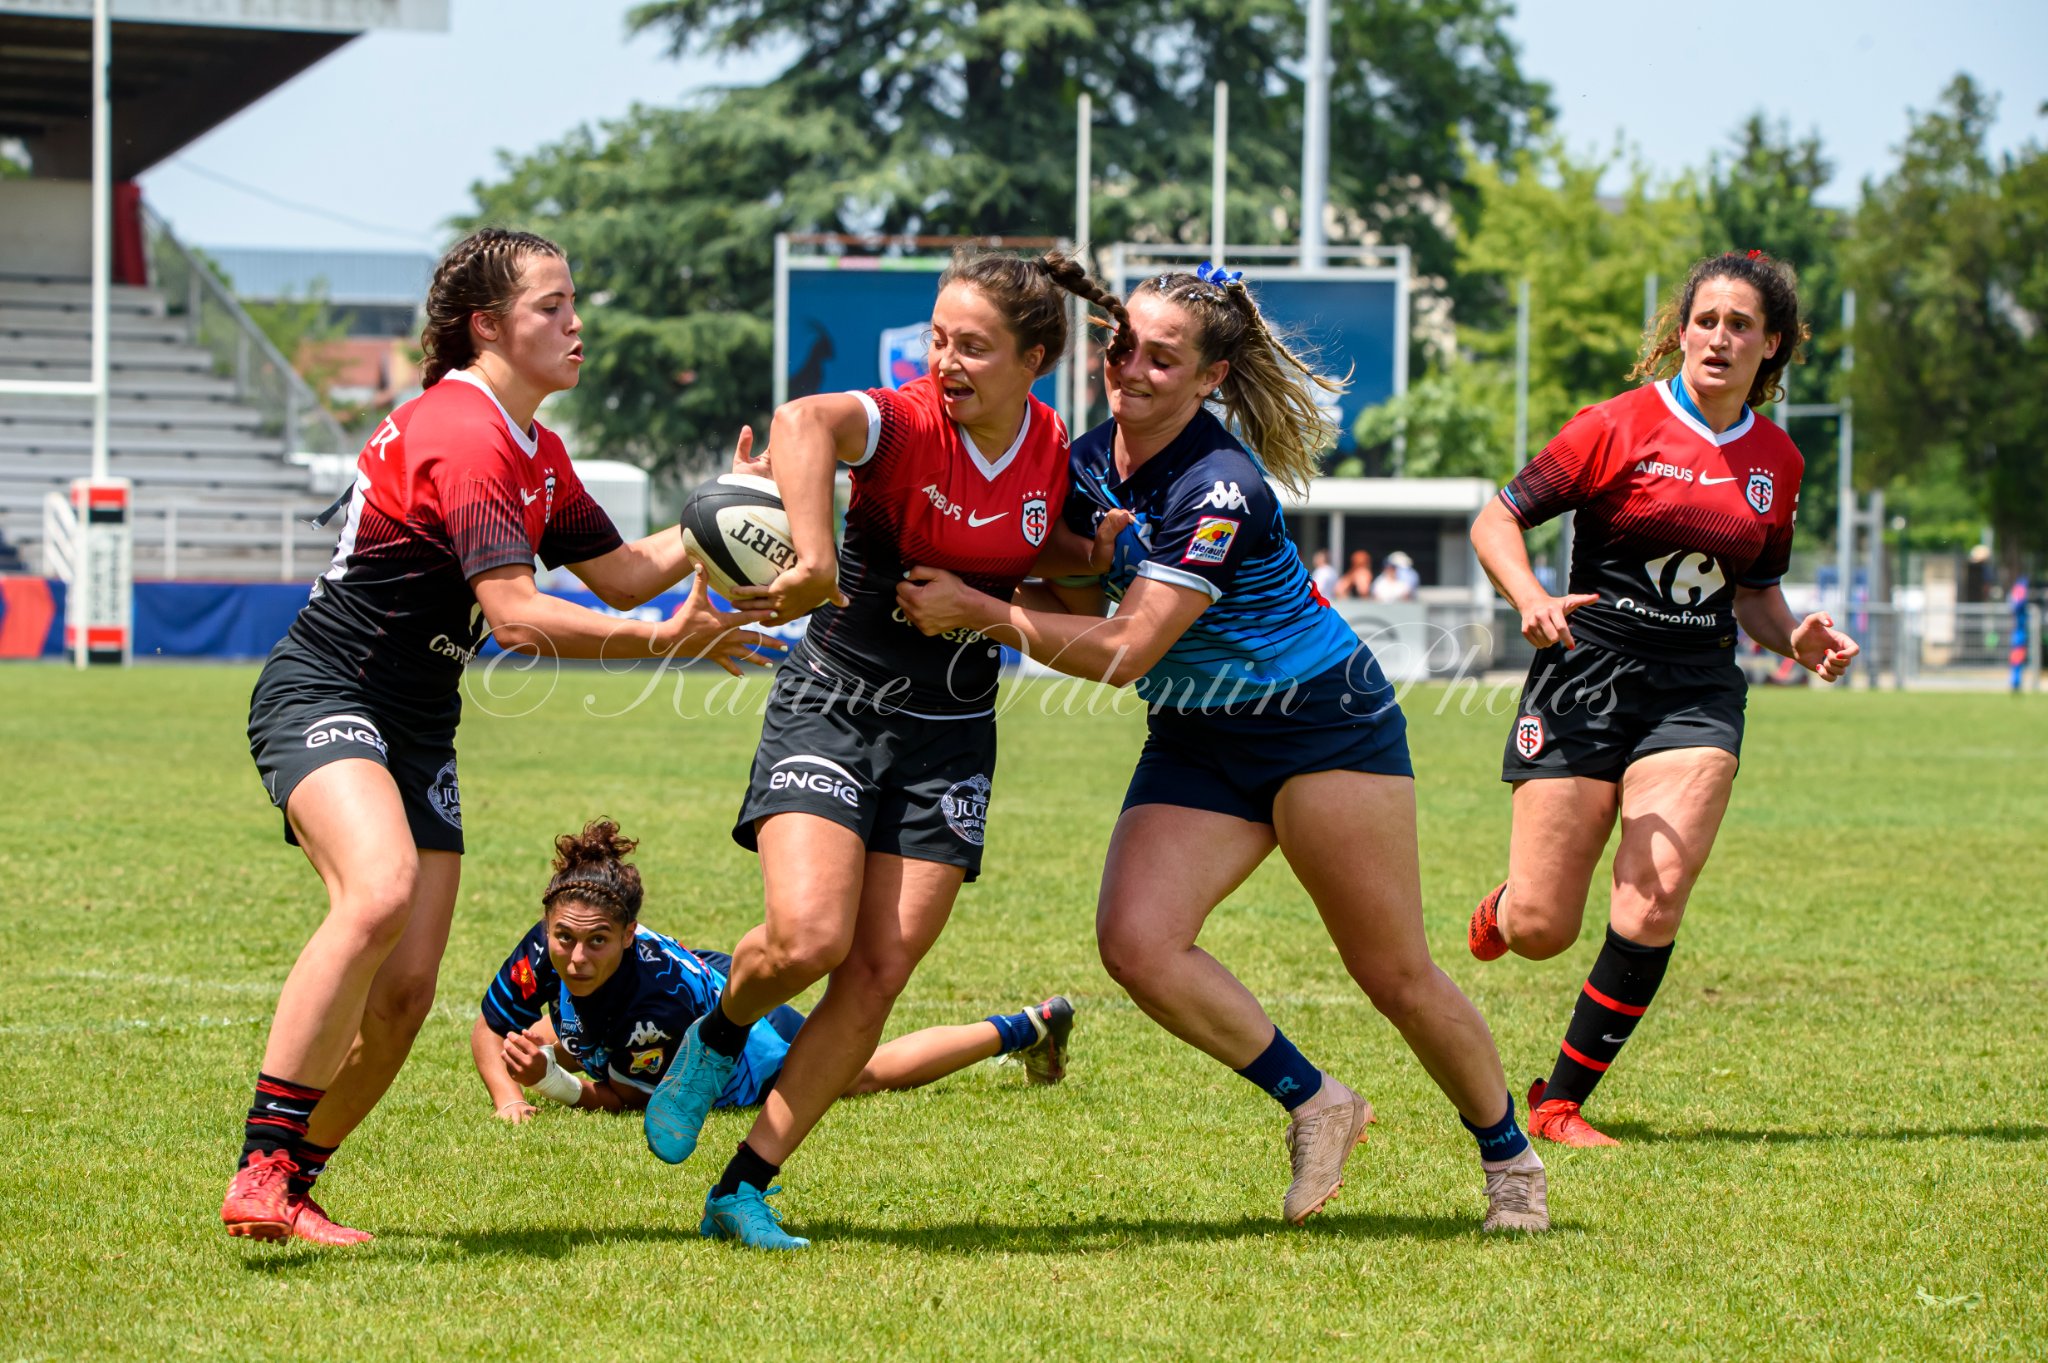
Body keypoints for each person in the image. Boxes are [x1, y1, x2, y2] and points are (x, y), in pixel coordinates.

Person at [895, 261, 1550, 1234]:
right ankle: (1316, 1100)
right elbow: (1069, 604)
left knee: (1392, 972)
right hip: (1196, 731)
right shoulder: (1075, 460)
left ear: (1209, 378)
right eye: (1124, 349)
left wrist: (977, 609)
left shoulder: (1220, 486)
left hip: (1320, 723)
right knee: (1135, 942)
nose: (1134, 371)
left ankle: (1510, 1162)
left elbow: (1122, 651)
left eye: (1164, 359)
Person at [221, 228, 781, 1245]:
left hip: (421, 721)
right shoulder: (465, 431)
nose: (576, 324)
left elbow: (617, 572)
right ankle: (260, 1163)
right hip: (326, 689)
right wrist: (667, 644)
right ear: (488, 325)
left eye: (575, 303)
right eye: (550, 307)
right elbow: (518, 616)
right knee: (379, 888)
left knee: (402, 996)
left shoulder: (533, 448)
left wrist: (726, 510)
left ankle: (293, 1185)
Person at [640, 249, 1117, 1250]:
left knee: (875, 973)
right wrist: (813, 558)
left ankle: (743, 1189)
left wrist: (1096, 552)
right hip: (834, 704)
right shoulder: (900, 420)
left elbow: (1060, 582)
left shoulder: (1048, 447)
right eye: (938, 337)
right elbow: (803, 421)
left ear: (1036, 356)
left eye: (972, 346)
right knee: (806, 939)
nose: (944, 360)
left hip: (951, 735)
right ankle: (719, 1032)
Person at [1465, 250, 1858, 1146]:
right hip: (1585, 671)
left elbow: (1755, 592)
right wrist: (1529, 597)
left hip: (1696, 689)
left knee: (1653, 897)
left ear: (1773, 347)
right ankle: (1507, 904)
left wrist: (1794, 636)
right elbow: (1498, 519)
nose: (1721, 337)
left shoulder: (1776, 461)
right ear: (1681, 331)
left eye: (1742, 326)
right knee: (1540, 926)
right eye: (1707, 320)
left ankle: (1559, 1102)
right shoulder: (1614, 425)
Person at [471, 820, 1075, 1128]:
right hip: (700, 980)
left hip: (740, 1040)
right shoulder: (550, 944)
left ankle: (1027, 1028)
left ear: (629, 936)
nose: (575, 957)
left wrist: (551, 1085)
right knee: (552, 1038)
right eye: (564, 939)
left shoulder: (656, 1005)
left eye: (596, 942)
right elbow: (489, 1028)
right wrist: (506, 1097)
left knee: (850, 1073)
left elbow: (630, 1099)